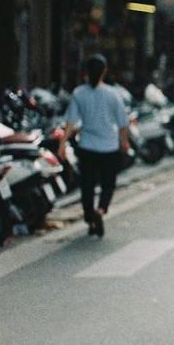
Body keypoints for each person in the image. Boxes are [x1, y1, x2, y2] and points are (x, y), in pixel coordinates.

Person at [58, 54, 130, 238]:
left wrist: (62, 144)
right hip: (109, 147)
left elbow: (70, 123)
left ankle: (90, 218)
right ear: (105, 71)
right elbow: (123, 123)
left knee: (87, 185)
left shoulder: (79, 93)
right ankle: (101, 210)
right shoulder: (114, 94)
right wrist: (124, 142)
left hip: (87, 147)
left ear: (86, 72)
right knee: (108, 184)